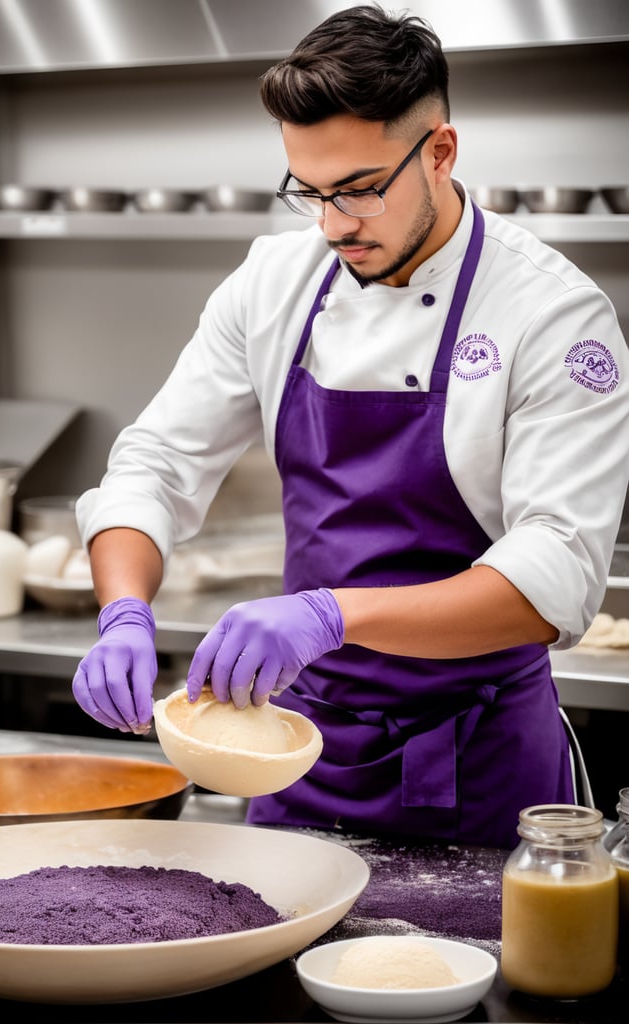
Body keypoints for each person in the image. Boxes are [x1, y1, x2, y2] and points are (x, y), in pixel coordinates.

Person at [72, 4, 629, 849]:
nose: (333, 225)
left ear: (439, 151)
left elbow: (552, 575)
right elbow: (154, 462)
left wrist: (328, 616)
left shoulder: (552, 316)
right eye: (310, 192)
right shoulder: (273, 282)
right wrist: (122, 612)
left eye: (361, 189)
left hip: (476, 759)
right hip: (295, 747)